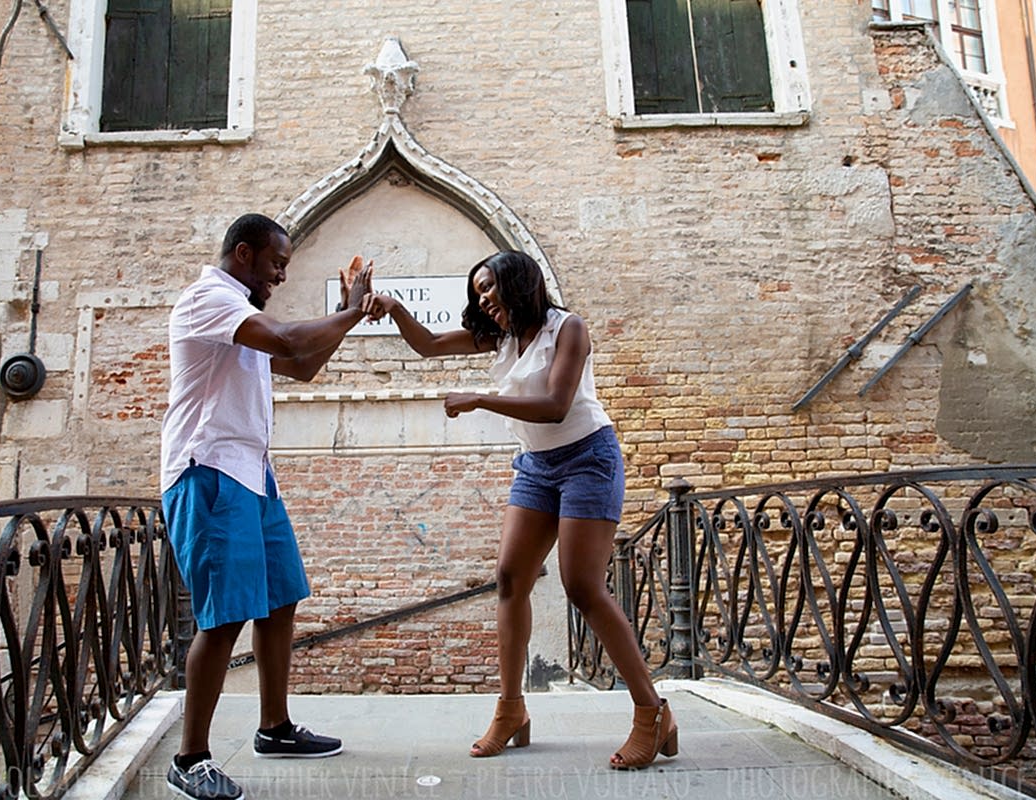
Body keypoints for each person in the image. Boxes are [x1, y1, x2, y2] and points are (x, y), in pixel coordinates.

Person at [362, 250, 677, 769]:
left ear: (518, 284)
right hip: (537, 465)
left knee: (582, 586)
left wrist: (483, 399)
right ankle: (511, 710)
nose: (483, 301)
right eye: (478, 292)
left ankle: (652, 712)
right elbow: (431, 345)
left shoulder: (567, 329)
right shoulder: (504, 337)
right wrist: (394, 308)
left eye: (489, 289)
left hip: (586, 459)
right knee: (510, 578)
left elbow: (556, 406)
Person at [160, 213, 374, 800]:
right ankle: (190, 758)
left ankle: (274, 728)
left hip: (252, 474)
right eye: (278, 263)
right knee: (224, 616)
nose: (281, 275)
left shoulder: (242, 317)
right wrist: (351, 311)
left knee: (280, 601)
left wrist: (350, 319)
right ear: (245, 253)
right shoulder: (208, 299)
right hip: (207, 473)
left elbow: (301, 365)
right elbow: (286, 340)